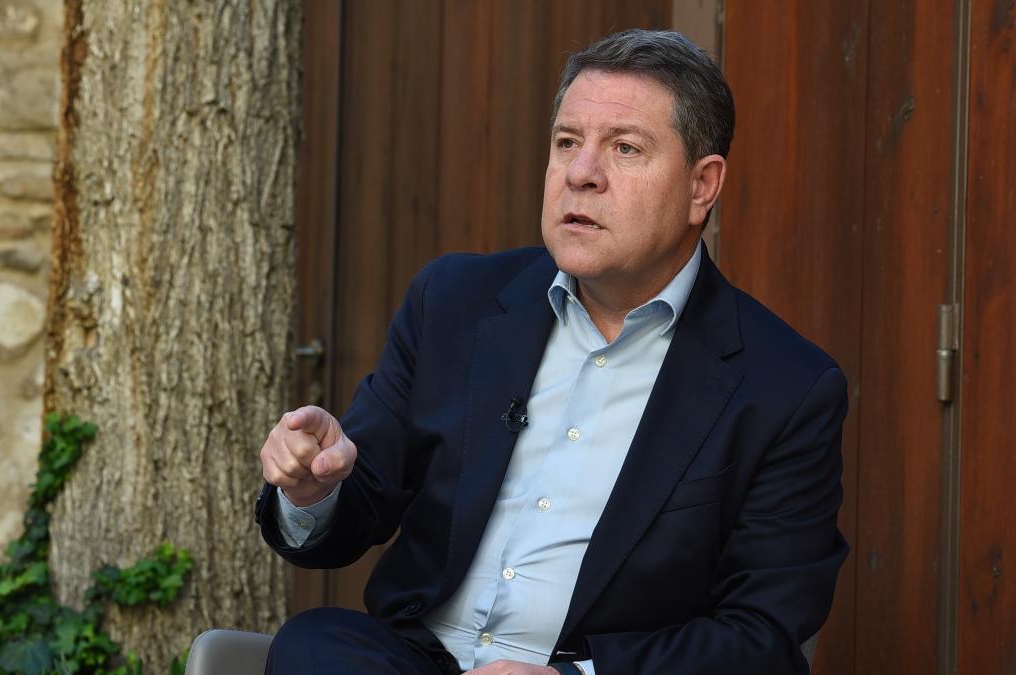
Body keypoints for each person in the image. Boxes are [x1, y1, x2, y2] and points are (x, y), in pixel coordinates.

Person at [255, 29, 848, 675]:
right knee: (315, 642)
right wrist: (313, 491)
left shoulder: (783, 387)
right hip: (416, 660)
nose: (580, 173)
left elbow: (760, 637)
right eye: (567, 142)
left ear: (702, 186)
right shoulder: (454, 302)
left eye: (624, 148)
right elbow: (356, 506)